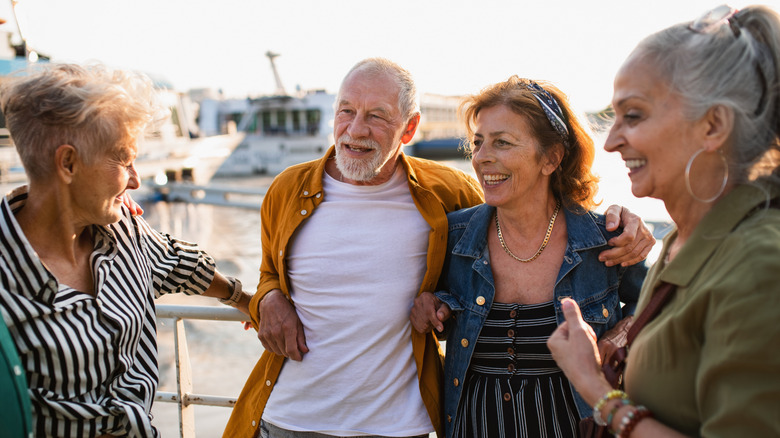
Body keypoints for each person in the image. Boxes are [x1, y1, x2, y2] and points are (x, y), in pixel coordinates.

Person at [225, 58, 653, 438]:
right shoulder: (290, 190)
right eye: (479, 141)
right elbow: (268, 275)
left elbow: (661, 301)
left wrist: (630, 234)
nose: (356, 129)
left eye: (376, 116)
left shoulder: (453, 201)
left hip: (423, 424)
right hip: (307, 420)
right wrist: (267, 298)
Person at [548, 4, 780, 437]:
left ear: (713, 125)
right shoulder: (682, 240)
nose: (613, 140)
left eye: (632, 115)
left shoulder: (758, 263)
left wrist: (596, 390)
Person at [0, 63, 253, 437]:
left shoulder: (126, 231)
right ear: (68, 163)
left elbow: (179, 263)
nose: (136, 178)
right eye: (123, 159)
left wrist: (244, 297)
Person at [409, 76, 650, 438]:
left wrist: (620, 335)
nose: (482, 157)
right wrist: (432, 305)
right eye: (478, 142)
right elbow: (430, 302)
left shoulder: (608, 240)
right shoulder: (452, 236)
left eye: (502, 143)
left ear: (551, 158)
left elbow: (658, 305)